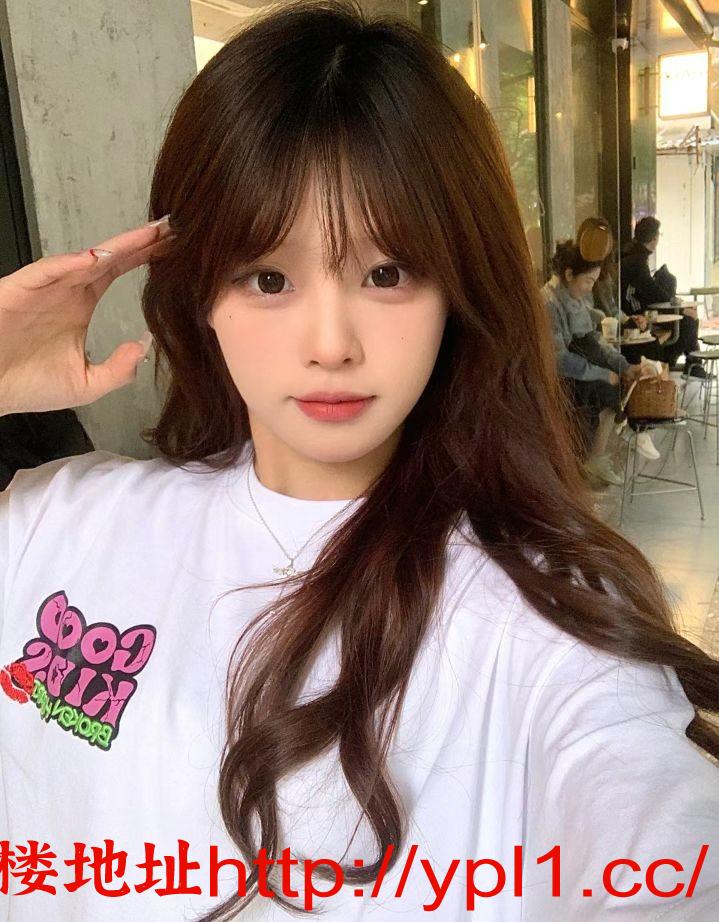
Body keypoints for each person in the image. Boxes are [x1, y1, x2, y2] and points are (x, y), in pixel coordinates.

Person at [0, 3, 717, 920]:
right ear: (199, 293)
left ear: (457, 289)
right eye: (269, 278)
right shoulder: (57, 521)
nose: (331, 344)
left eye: (386, 274)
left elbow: (661, 840)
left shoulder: (540, 615)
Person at [541, 241, 659, 482]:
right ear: (569, 274)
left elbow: (593, 341)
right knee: (605, 388)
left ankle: (602, 455)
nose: (590, 288)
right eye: (588, 281)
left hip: (572, 367)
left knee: (616, 375)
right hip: (551, 376)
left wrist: (623, 367)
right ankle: (599, 455)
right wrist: (605, 374)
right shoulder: (548, 304)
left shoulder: (574, 299)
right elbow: (558, 360)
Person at [620, 215, 705, 375]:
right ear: (654, 238)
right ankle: (677, 362)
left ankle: (693, 365)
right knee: (689, 321)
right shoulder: (637, 260)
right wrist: (676, 304)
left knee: (689, 318)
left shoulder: (633, 255)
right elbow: (651, 291)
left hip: (639, 311)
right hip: (636, 315)